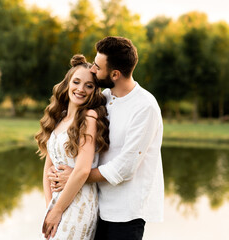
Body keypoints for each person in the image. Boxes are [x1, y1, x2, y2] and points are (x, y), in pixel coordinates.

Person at [48, 36, 164, 240]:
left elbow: (125, 167)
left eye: (97, 67)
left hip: (126, 214)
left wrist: (76, 175)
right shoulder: (106, 98)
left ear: (115, 74)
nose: (92, 69)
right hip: (98, 206)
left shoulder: (145, 107)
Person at [35, 54, 110, 239]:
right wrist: (49, 207)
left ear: (95, 90)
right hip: (56, 204)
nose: (81, 89)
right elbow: (48, 169)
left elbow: (83, 170)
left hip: (79, 205)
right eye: (76, 82)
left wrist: (57, 210)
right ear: (68, 83)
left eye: (89, 85)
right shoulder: (59, 118)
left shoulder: (89, 118)